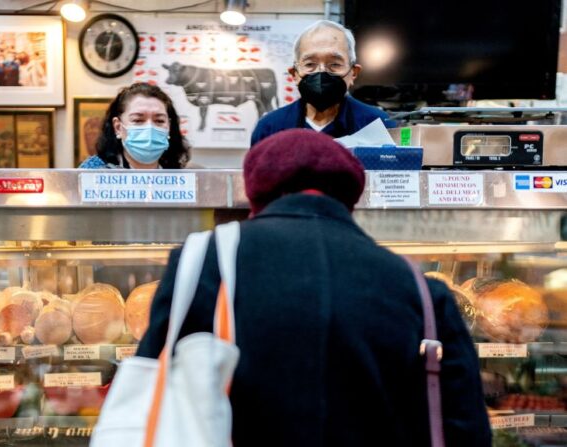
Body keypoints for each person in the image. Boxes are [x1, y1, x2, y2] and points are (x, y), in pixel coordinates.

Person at [137, 129, 491, 446]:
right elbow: (465, 426)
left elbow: (154, 392)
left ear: (254, 190)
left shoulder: (202, 263)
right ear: (351, 196)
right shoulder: (419, 288)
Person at [251, 20, 395, 145]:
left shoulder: (379, 124)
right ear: (294, 74)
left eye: (335, 64)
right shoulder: (269, 128)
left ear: (353, 73)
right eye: (309, 64)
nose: (321, 72)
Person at [79, 82, 190, 169]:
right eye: (138, 120)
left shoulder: (184, 178)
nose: (150, 128)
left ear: (169, 127)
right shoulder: (91, 173)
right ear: (118, 127)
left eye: (159, 121)